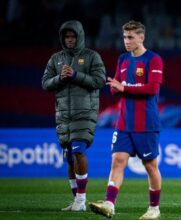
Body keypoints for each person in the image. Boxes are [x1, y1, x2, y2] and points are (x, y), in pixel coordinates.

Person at [89, 20, 163, 219]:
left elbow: (152, 89)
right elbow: (116, 85)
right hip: (124, 122)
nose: (126, 41)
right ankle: (109, 204)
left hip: (146, 123)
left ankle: (154, 208)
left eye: (130, 37)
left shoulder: (154, 59)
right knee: (117, 160)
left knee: (150, 165)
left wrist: (124, 87)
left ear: (141, 37)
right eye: (124, 37)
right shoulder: (123, 59)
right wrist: (115, 87)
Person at [41, 20, 106, 211]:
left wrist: (75, 75)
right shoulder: (55, 59)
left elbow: (100, 81)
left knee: (79, 151)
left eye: (73, 36)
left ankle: (81, 201)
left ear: (79, 37)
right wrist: (59, 78)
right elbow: (45, 83)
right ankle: (77, 201)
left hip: (84, 113)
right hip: (63, 115)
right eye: (67, 37)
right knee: (69, 157)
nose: (70, 40)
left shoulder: (92, 56)